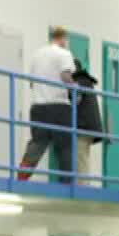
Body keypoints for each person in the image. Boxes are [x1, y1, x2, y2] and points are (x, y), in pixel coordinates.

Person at [17, 26, 78, 181]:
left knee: (37, 144)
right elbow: (65, 76)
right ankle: (67, 185)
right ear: (63, 38)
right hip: (59, 106)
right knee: (65, 147)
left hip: (38, 107)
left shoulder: (37, 54)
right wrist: (76, 90)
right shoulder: (64, 53)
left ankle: (21, 178)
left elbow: (32, 83)